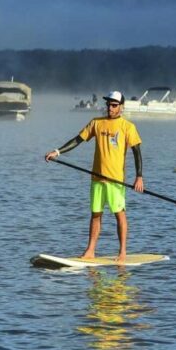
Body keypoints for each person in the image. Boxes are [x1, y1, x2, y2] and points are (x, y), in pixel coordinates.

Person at [45, 90, 143, 262]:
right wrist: (57, 151)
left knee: (119, 214)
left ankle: (122, 252)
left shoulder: (128, 127)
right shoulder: (96, 123)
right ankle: (90, 250)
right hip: (97, 178)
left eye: (114, 105)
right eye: (108, 105)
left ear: (121, 107)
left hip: (115, 180)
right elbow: (77, 140)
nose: (110, 108)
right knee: (95, 214)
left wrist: (139, 177)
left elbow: (137, 153)